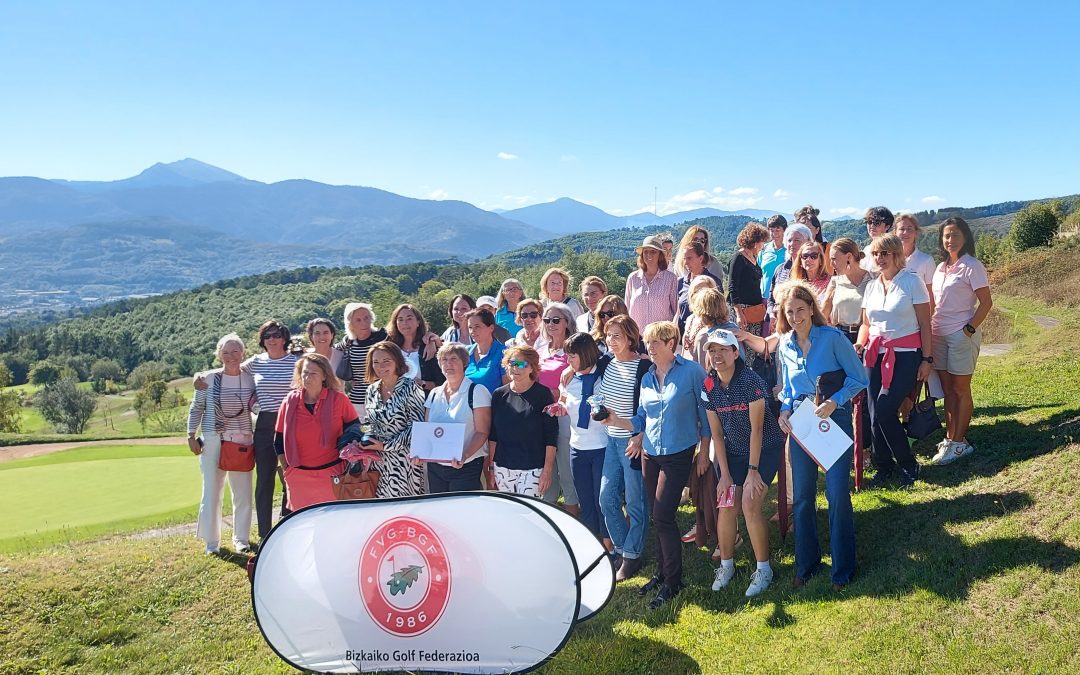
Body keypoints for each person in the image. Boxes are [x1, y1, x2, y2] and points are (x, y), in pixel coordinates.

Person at [603, 321, 711, 610]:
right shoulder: (647, 377)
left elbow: (707, 414)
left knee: (663, 516)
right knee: (656, 516)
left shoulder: (692, 373)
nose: (648, 348)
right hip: (650, 454)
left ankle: (673, 581)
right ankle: (662, 573)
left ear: (670, 343)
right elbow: (640, 418)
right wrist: (617, 421)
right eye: (647, 343)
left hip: (679, 453)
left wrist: (704, 452)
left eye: (654, 343)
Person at [773, 281, 868, 590]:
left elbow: (860, 378)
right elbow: (787, 388)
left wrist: (834, 401)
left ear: (811, 308)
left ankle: (843, 568)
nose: (796, 316)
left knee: (837, 493)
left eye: (801, 309)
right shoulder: (784, 345)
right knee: (801, 497)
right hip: (801, 424)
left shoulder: (833, 338)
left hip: (833, 418)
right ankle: (807, 564)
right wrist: (784, 410)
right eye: (790, 312)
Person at [701, 329, 784, 597]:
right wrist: (724, 475)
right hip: (733, 451)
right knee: (726, 503)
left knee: (749, 502)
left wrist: (752, 471)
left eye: (723, 350)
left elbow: (757, 430)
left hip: (765, 449)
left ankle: (764, 569)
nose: (717, 356)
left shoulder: (751, 381)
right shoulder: (709, 387)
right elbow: (716, 435)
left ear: (736, 353)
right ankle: (727, 565)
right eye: (712, 350)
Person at [855, 234, 932, 489]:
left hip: (905, 355)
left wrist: (927, 359)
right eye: (876, 254)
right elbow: (867, 324)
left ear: (897, 254)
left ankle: (908, 463)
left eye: (885, 253)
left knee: (887, 410)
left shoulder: (912, 282)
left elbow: (924, 324)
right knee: (875, 414)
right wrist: (859, 343)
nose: (880, 258)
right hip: (874, 354)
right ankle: (884, 467)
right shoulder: (871, 286)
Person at [931, 217, 993, 465]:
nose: (950, 240)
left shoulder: (972, 266)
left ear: (965, 237)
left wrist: (967, 330)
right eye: (946, 236)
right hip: (938, 334)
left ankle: (959, 442)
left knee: (960, 389)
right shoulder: (939, 268)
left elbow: (986, 303)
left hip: (960, 335)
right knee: (947, 391)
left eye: (955, 235)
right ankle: (952, 438)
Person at [186, 333, 256, 554]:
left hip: (242, 439)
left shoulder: (250, 377)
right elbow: (197, 407)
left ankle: (241, 540)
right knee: (212, 492)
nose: (231, 356)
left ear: (243, 353)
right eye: (225, 352)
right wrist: (190, 434)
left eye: (235, 351)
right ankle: (211, 543)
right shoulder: (207, 378)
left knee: (243, 492)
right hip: (213, 440)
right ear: (219, 355)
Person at [596, 315, 652, 582]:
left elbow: (649, 408)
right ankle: (620, 548)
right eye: (608, 336)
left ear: (631, 338)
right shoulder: (608, 364)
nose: (611, 341)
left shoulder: (643, 368)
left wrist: (639, 436)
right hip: (611, 439)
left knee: (635, 503)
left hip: (631, 442)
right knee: (606, 499)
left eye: (616, 336)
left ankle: (632, 555)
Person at [274, 353, 359, 510]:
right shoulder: (289, 401)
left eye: (313, 373)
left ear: (324, 376)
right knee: (304, 528)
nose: (307, 377)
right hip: (299, 478)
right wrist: (288, 470)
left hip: (332, 475)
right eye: (305, 372)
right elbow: (278, 440)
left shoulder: (339, 400)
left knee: (332, 525)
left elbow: (354, 430)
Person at [244, 320, 297, 541]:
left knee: (292, 476)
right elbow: (231, 367)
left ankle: (289, 524)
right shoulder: (255, 363)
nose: (272, 339)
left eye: (276, 335)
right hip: (265, 424)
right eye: (268, 336)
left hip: (292, 422)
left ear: (284, 338)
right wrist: (204, 376)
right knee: (264, 479)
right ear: (263, 341)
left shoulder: (296, 361)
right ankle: (265, 533)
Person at [558, 332, 610, 541]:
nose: (568, 361)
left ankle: (609, 540)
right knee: (585, 499)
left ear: (586, 354)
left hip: (602, 446)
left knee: (602, 499)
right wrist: (559, 407)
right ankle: (592, 540)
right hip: (577, 447)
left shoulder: (605, 373)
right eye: (567, 356)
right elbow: (564, 400)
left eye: (572, 356)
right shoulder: (569, 378)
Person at [488, 345, 558, 496]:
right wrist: (491, 468)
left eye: (521, 364)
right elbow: (493, 436)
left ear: (532, 368)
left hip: (533, 468)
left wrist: (547, 470)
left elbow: (551, 436)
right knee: (508, 513)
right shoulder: (498, 395)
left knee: (529, 514)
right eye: (511, 363)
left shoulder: (543, 394)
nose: (515, 368)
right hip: (503, 467)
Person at [425, 343, 492, 493]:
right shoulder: (434, 393)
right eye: (444, 359)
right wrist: (421, 454)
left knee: (462, 513)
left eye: (454, 359)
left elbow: (482, 432)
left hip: (466, 466)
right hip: (436, 468)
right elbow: (428, 431)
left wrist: (464, 455)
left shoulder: (477, 391)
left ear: (464, 363)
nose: (449, 363)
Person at [364, 341, 427, 498]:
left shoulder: (412, 388)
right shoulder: (371, 390)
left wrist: (386, 446)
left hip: (405, 462)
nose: (381, 366)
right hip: (378, 462)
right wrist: (364, 438)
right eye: (376, 362)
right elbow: (367, 422)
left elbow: (417, 427)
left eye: (386, 361)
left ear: (397, 362)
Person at [537, 303, 580, 513]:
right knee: (547, 472)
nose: (551, 324)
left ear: (567, 322)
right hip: (540, 417)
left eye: (556, 320)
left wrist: (553, 394)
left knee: (566, 471)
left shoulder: (573, 350)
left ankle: (576, 525)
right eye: (547, 320)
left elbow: (574, 387)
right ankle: (550, 521)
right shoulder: (540, 350)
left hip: (564, 417)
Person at [338, 303, 387, 421]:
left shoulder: (383, 337)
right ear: (350, 324)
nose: (364, 323)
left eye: (366, 318)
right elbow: (330, 352)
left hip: (382, 398)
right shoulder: (348, 342)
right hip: (357, 401)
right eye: (358, 320)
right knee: (360, 437)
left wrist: (432, 340)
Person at [823, 238, 873, 342]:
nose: (831, 264)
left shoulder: (873, 280)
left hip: (868, 337)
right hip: (840, 336)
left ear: (849, 257)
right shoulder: (835, 282)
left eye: (834, 259)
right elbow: (823, 314)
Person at [386, 304, 445, 393]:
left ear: (418, 322)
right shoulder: (390, 348)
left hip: (425, 403)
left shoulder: (429, 348)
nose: (404, 323)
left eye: (409, 318)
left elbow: (442, 381)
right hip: (395, 402)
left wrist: (422, 383)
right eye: (400, 319)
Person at [625, 235, 678, 331]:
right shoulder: (633, 278)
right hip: (637, 338)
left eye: (653, 252)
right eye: (646, 252)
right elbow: (626, 310)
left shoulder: (671, 279)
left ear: (660, 255)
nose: (649, 255)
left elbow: (676, 312)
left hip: (661, 339)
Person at [730, 222, 770, 347]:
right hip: (743, 310)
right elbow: (732, 287)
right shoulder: (738, 258)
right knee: (742, 347)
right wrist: (739, 313)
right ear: (755, 241)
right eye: (762, 242)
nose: (763, 246)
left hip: (754, 311)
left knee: (753, 347)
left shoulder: (753, 258)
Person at [766, 223, 812, 327]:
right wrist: (771, 313)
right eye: (790, 240)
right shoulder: (780, 269)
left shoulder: (809, 270)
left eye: (797, 240)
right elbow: (771, 297)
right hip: (779, 323)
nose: (792, 244)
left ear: (808, 242)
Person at [676, 241, 724, 333]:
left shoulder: (712, 282)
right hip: (684, 336)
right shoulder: (680, 282)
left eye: (689, 258)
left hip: (707, 335)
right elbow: (678, 313)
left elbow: (720, 312)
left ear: (701, 258)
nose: (685, 262)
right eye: (684, 259)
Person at [894, 213, 935, 309]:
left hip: (917, 317)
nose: (905, 232)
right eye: (902, 229)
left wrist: (928, 321)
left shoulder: (927, 261)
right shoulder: (889, 260)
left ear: (916, 233)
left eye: (909, 229)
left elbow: (931, 294)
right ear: (894, 232)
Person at [464, 308, 509, 394]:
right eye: (470, 327)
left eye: (477, 326)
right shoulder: (465, 352)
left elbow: (508, 389)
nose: (472, 331)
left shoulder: (504, 353)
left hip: (493, 405)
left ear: (491, 328)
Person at [758, 215, 788, 306]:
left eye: (778, 230)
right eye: (771, 230)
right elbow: (759, 273)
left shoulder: (790, 249)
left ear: (785, 230)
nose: (774, 233)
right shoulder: (763, 249)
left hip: (784, 299)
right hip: (764, 298)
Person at [861, 207, 894, 272]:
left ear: (887, 226)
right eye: (869, 222)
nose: (872, 225)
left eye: (877, 222)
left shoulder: (891, 250)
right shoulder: (867, 249)